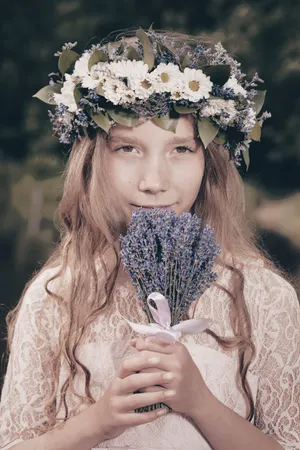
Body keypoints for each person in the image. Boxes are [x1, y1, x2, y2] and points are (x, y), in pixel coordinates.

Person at [0, 27, 299, 450]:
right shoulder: (55, 297)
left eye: (180, 150)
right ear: (93, 162)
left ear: (208, 164)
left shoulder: (264, 297)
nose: (154, 182)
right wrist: (99, 422)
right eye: (128, 149)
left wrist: (200, 403)